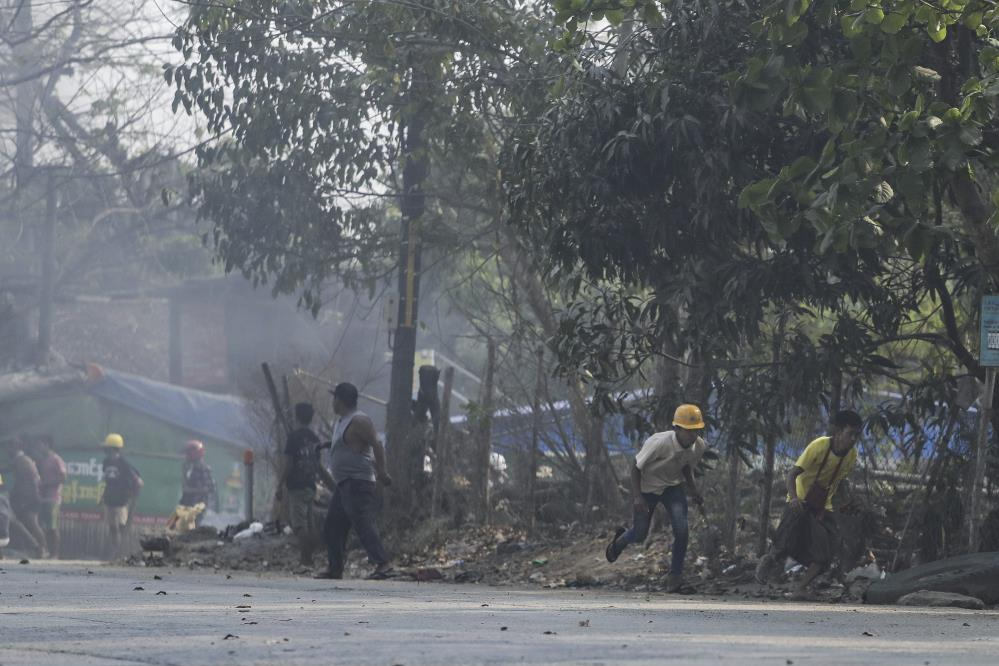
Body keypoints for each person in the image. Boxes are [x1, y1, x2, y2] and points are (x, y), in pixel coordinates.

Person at [755, 409, 863, 598]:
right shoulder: (819, 446)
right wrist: (794, 498)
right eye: (849, 434)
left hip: (823, 505)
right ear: (838, 432)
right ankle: (770, 559)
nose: (853, 439)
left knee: (827, 552)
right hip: (801, 499)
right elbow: (792, 474)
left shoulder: (851, 456)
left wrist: (845, 504)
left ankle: (800, 588)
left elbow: (839, 483)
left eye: (856, 435)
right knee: (786, 539)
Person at [605, 404, 708, 593]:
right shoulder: (659, 443)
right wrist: (637, 497)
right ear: (677, 428)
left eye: (697, 430)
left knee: (682, 530)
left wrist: (693, 491)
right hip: (647, 488)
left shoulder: (698, 446)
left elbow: (686, 466)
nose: (693, 435)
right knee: (640, 534)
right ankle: (620, 540)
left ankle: (675, 578)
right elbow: (636, 467)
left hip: (672, 487)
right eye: (689, 430)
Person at [316, 382, 393, 580]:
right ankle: (335, 568)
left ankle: (383, 563)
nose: (332, 402)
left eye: (334, 398)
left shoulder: (359, 420)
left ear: (340, 400)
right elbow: (349, 444)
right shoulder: (342, 421)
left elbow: (377, 444)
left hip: (358, 482)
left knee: (362, 523)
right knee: (333, 525)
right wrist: (326, 445)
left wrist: (383, 472)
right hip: (345, 484)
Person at [279, 402, 322, 567]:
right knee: (309, 524)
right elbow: (317, 464)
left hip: (296, 486)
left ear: (297, 417)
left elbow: (289, 463)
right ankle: (309, 557)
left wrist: (280, 485)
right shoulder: (315, 439)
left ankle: (305, 559)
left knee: (298, 526)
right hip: (310, 485)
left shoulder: (293, 438)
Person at [100, 433, 143, 559]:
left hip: (121, 499)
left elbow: (137, 480)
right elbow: (108, 481)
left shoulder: (124, 463)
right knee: (112, 527)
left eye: (108, 448)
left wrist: (134, 490)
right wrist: (103, 496)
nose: (106, 450)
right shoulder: (106, 462)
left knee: (121, 526)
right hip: (109, 498)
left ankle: (122, 552)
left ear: (114, 449)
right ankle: (115, 550)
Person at [6, 436, 47, 557]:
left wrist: (31, 497)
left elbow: (33, 480)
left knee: (31, 523)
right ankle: (35, 548)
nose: (7, 450)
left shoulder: (23, 461)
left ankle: (43, 548)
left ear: (16, 447)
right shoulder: (18, 461)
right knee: (20, 522)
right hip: (24, 498)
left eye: (10, 447)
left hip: (30, 499)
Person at [30, 434, 67, 558]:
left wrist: (46, 484)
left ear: (47, 444)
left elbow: (63, 478)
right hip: (42, 498)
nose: (39, 447)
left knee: (53, 527)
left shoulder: (56, 459)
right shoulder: (42, 460)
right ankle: (46, 551)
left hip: (53, 498)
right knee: (42, 526)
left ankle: (55, 554)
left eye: (40, 444)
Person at [179, 440, 217, 522]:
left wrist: (193, 491)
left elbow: (211, 488)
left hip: (197, 503)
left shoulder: (203, 468)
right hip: (186, 502)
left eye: (188, 453)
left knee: (193, 526)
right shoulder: (187, 467)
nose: (186, 456)